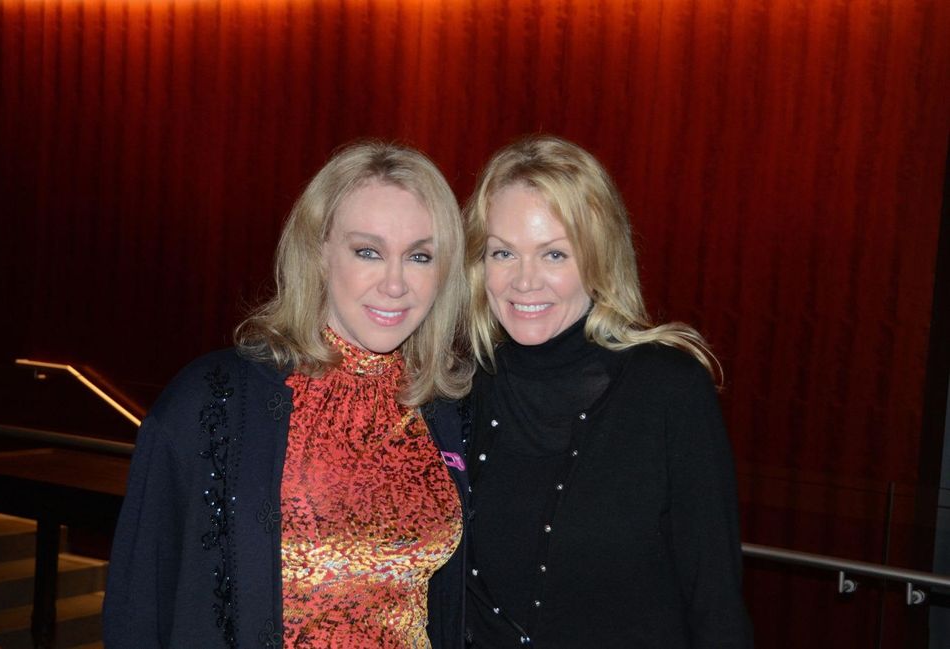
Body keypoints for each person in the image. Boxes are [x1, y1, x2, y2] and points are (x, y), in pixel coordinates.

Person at [103, 141, 473, 649]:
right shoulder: (211, 402)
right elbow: (139, 605)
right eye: (368, 251)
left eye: (419, 256)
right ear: (319, 252)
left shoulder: (447, 408)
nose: (395, 283)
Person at [462, 135, 752, 648]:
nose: (524, 281)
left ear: (599, 258)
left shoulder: (669, 391)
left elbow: (716, 602)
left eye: (554, 254)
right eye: (503, 252)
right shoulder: (453, 389)